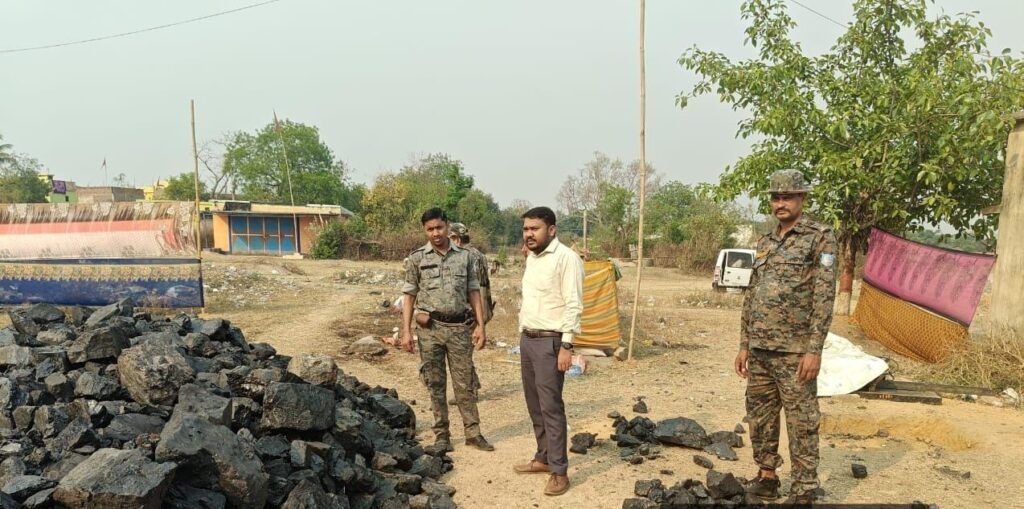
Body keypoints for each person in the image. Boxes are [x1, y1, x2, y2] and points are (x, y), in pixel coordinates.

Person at [736, 169, 838, 505]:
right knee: (760, 417)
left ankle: (805, 488)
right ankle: (767, 476)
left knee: (802, 421)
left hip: (795, 352)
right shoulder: (766, 242)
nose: (781, 203)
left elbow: (824, 297)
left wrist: (814, 350)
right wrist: (744, 344)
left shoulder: (820, 237)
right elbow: (752, 295)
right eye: (776, 197)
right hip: (761, 350)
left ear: (802, 199)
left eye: (788, 197)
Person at [401, 208, 495, 453]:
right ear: (425, 230)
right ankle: (442, 435)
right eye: (430, 229)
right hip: (430, 330)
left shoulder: (465, 257)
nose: (435, 233)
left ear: (448, 227)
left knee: (465, 384)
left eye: (439, 228)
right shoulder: (417, 258)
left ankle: (473, 433)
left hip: (459, 329)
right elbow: (409, 296)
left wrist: (481, 326)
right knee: (435, 384)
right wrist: (406, 332)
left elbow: (474, 292)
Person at [512, 206, 584, 497]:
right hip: (528, 340)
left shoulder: (567, 259)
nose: (529, 234)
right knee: (534, 404)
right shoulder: (533, 257)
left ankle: (559, 471)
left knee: (551, 407)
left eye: (535, 229)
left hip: (551, 342)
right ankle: (543, 457)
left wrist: (567, 345)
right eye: (526, 229)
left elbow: (574, 304)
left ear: (551, 229)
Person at [448, 223, 495, 325]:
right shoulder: (480, 255)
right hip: (482, 310)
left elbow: (473, 288)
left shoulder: (464, 256)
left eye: (450, 239)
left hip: (469, 314)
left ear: (457, 239)